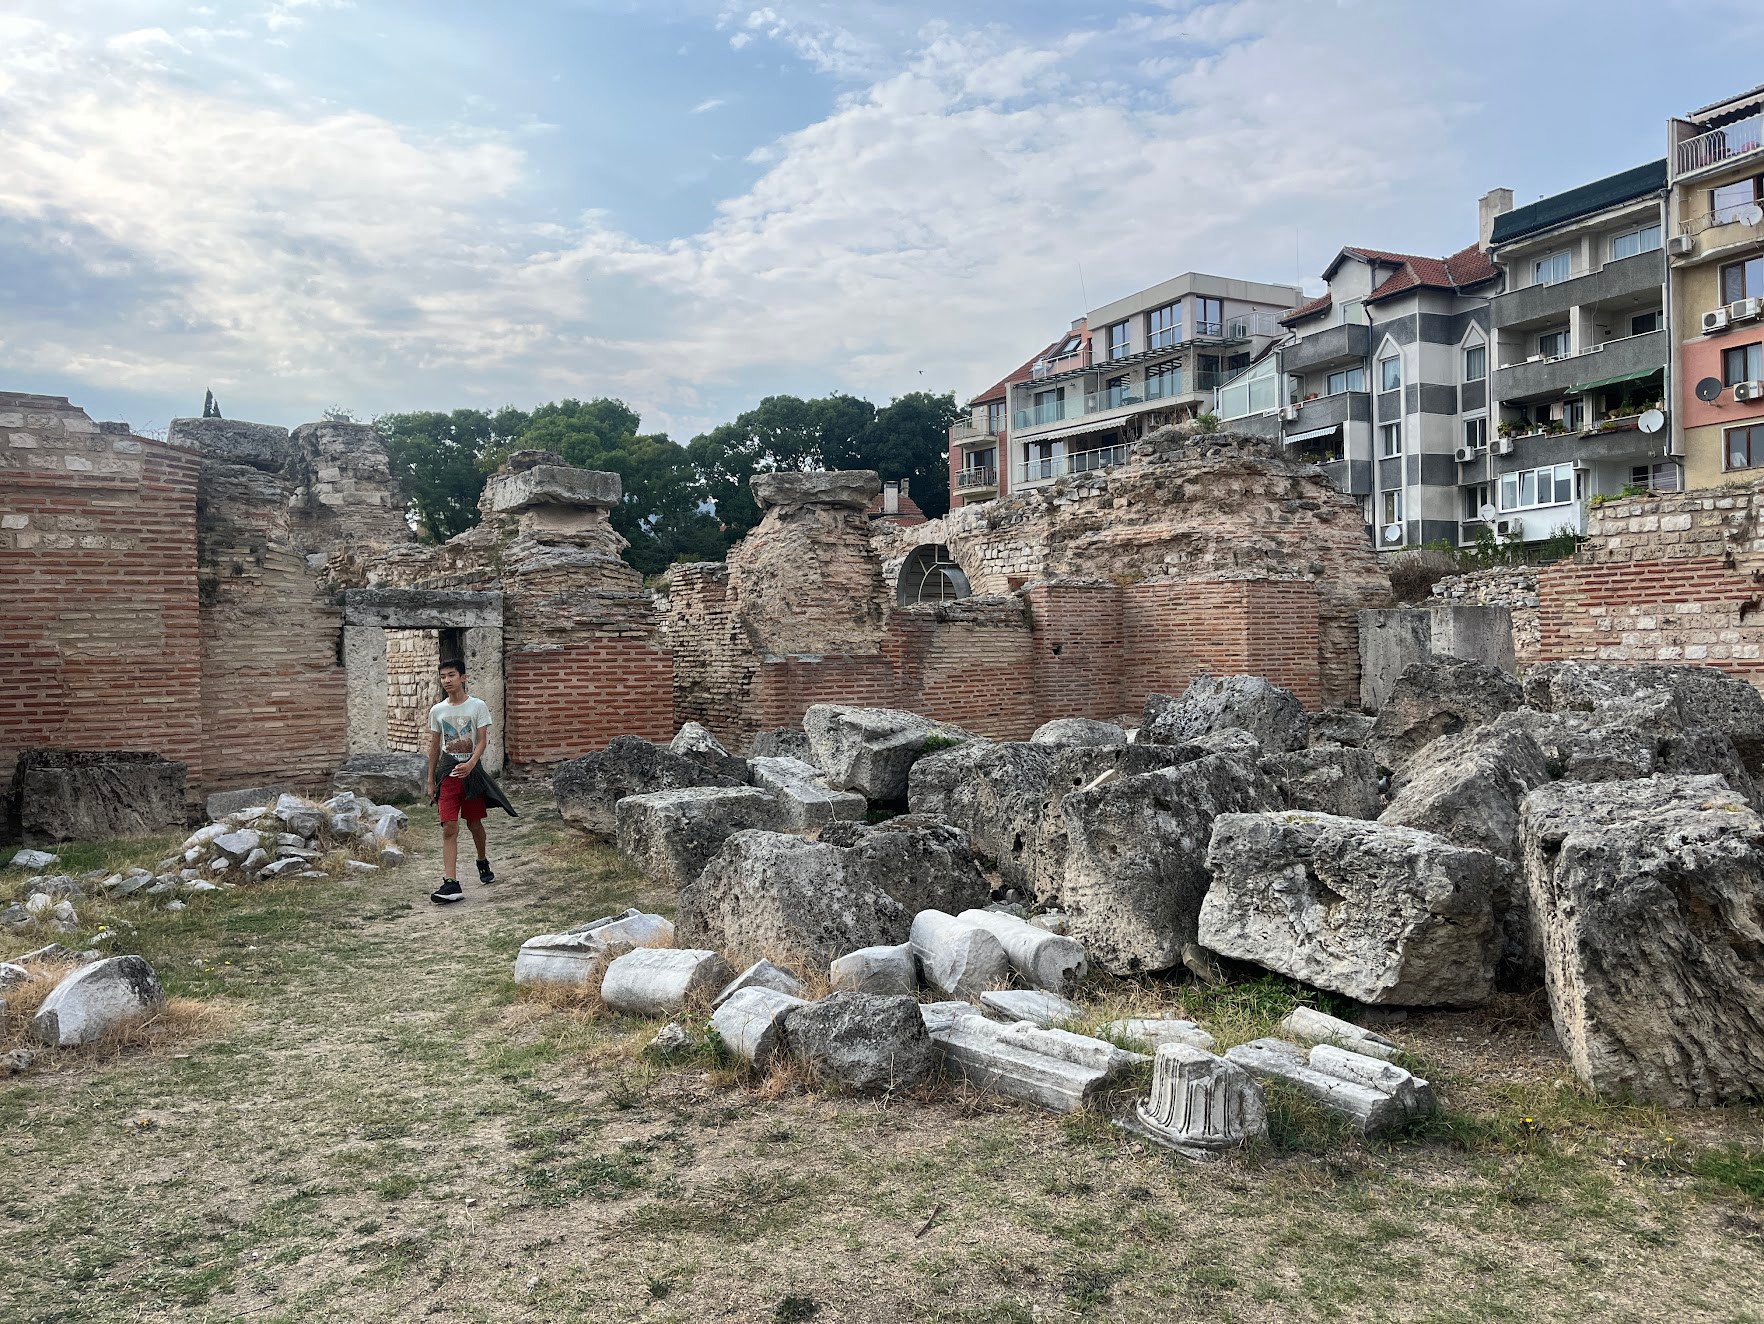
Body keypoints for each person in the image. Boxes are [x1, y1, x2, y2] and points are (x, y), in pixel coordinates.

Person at [425, 658, 515, 904]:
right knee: (449, 827)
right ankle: (450, 882)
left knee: (474, 824)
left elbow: (483, 740)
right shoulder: (437, 711)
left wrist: (471, 764)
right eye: (443, 676)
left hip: (472, 774)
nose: (446, 680)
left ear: (463, 677)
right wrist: (430, 780)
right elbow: (435, 746)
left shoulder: (477, 706)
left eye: (451, 675)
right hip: (448, 774)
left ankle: (482, 859)